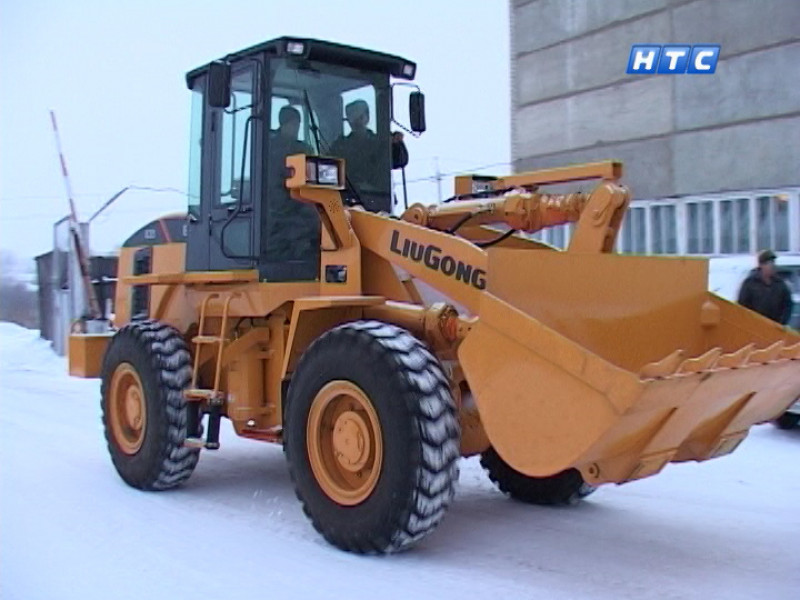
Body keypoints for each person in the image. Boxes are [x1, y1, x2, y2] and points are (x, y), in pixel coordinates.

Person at [266, 105, 319, 262]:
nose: (295, 128)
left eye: (297, 124)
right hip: (279, 211)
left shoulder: (304, 149)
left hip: (300, 207)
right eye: (292, 124)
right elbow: (274, 187)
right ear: (283, 124)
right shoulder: (268, 149)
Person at [331, 99, 381, 189]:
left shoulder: (380, 143)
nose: (356, 122)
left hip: (377, 196)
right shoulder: (340, 147)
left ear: (367, 117)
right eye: (353, 119)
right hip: (346, 196)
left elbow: (400, 159)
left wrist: (397, 145)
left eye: (360, 117)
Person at [737, 249, 793, 325]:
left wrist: (781, 323)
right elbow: (742, 306)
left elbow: (788, 305)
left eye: (773, 263)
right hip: (756, 326)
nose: (772, 266)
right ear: (761, 265)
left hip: (775, 328)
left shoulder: (780, 284)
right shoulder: (750, 284)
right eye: (769, 263)